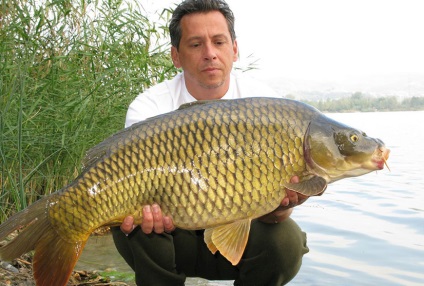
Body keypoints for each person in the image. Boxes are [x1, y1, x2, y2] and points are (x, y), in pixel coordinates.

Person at [111, 0, 309, 285]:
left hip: (238, 237)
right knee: (136, 226)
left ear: (235, 49)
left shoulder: (268, 108)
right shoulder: (150, 107)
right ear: (176, 56)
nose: (210, 54)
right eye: (195, 44)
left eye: (219, 42)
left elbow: (278, 214)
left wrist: (279, 206)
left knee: (286, 241)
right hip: (172, 237)